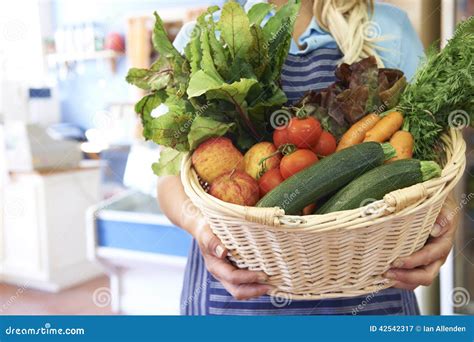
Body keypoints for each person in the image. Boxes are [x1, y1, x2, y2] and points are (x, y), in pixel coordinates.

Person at [158, 0, 459, 315]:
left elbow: (436, 159)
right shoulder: (204, 37)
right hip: (236, 299)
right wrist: (201, 228)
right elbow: (168, 177)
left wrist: (444, 218)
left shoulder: (388, 28)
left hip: (371, 296)